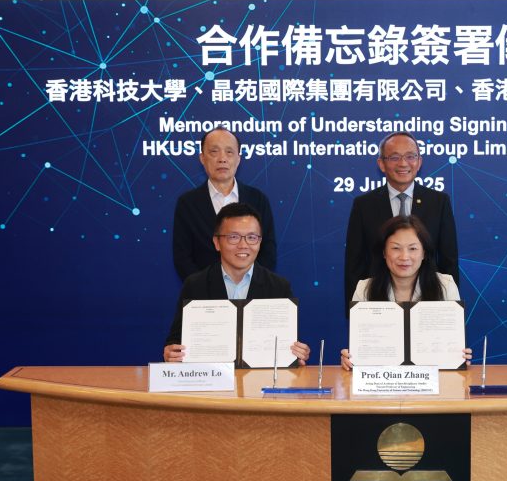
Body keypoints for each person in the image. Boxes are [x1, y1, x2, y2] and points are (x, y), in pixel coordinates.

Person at [163, 202, 309, 364]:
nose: (243, 245)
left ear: (260, 242)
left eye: (252, 237)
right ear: (217, 242)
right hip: (212, 377)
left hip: (261, 378)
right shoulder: (195, 285)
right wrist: (171, 352)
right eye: (234, 237)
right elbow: (176, 340)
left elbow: (287, 344)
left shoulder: (279, 287)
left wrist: (297, 354)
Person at [344, 132, 458, 309]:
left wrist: (450, 309)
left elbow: (448, 261)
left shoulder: (438, 202)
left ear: (419, 162)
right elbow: (354, 264)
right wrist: (356, 312)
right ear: (381, 164)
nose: (403, 163)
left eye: (410, 156)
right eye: (394, 157)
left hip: (428, 302)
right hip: (377, 302)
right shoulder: (364, 205)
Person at [341, 215, 470, 370]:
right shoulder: (364, 289)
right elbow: (362, 346)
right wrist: (351, 358)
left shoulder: (445, 286)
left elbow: (450, 344)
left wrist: (457, 356)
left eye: (413, 248)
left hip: (434, 380)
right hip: (383, 380)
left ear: (424, 253)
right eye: (395, 248)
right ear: (384, 252)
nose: (404, 257)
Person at [172, 127, 277, 280]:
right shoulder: (187, 203)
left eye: (229, 152)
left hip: (252, 290)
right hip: (203, 291)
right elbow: (182, 257)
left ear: (238, 159)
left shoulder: (257, 199)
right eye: (214, 152)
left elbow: (268, 251)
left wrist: (248, 286)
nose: (222, 159)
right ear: (202, 158)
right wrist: (204, 287)